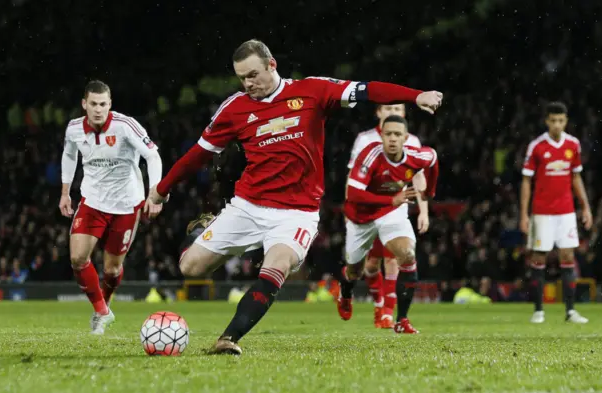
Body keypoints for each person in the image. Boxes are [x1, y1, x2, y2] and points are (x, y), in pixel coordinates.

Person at [148, 39, 443, 355]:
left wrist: (415, 96)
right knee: (190, 268)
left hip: (296, 214)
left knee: (277, 266)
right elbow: (198, 154)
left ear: (272, 64)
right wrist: (161, 190)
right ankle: (206, 230)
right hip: (247, 206)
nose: (248, 84)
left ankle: (227, 339)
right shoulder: (234, 108)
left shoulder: (313, 91)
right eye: (242, 78)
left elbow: (369, 89)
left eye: (253, 75)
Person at [60, 80, 163, 334]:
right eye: (93, 104)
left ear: (110, 104)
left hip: (126, 204)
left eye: (103, 104)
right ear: (84, 104)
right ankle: (102, 311)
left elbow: (153, 156)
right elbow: (69, 155)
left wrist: (155, 193)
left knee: (111, 269)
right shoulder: (74, 129)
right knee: (77, 258)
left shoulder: (125, 126)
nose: (98, 109)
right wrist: (65, 192)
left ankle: (105, 302)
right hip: (92, 201)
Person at [338, 115, 438, 334]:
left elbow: (433, 160)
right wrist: (391, 199)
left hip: (391, 214)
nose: (392, 139)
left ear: (406, 138)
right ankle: (345, 292)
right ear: (381, 135)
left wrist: (429, 192)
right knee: (355, 271)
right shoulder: (370, 155)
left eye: (397, 135)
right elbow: (354, 194)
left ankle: (401, 320)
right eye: (388, 134)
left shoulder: (415, 156)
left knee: (407, 255)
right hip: (361, 217)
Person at [347, 104, 421, 329]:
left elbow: (420, 179)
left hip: (395, 211)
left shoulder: (414, 143)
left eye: (397, 108)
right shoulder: (364, 140)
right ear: (378, 112)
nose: (392, 112)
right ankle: (378, 301)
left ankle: (390, 312)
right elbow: (353, 179)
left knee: (395, 257)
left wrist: (423, 211)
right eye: (388, 108)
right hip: (368, 211)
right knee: (369, 266)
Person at [519, 102, 592, 324]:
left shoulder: (573, 144)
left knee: (568, 256)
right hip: (542, 212)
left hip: (566, 211)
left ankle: (570, 311)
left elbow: (576, 177)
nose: (557, 125)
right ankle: (538, 310)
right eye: (553, 120)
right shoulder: (537, 146)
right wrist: (524, 214)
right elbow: (526, 180)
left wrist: (585, 207)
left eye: (561, 121)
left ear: (566, 121)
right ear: (547, 121)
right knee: (539, 257)